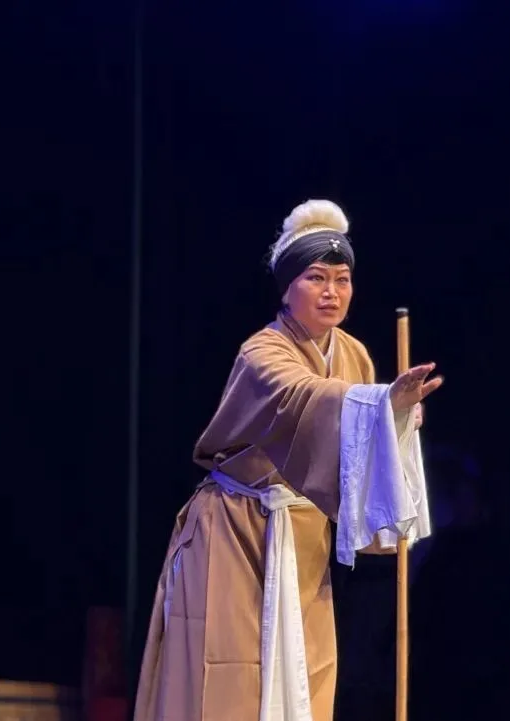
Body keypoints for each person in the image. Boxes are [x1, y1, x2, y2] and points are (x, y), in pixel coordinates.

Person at [133, 199, 441, 721]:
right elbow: (302, 397)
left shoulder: (354, 354)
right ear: (286, 288)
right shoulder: (262, 353)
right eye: (316, 278)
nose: (331, 292)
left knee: (306, 674)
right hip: (236, 530)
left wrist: (394, 420)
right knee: (231, 678)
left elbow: (358, 452)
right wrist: (379, 405)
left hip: (303, 539)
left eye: (342, 280)